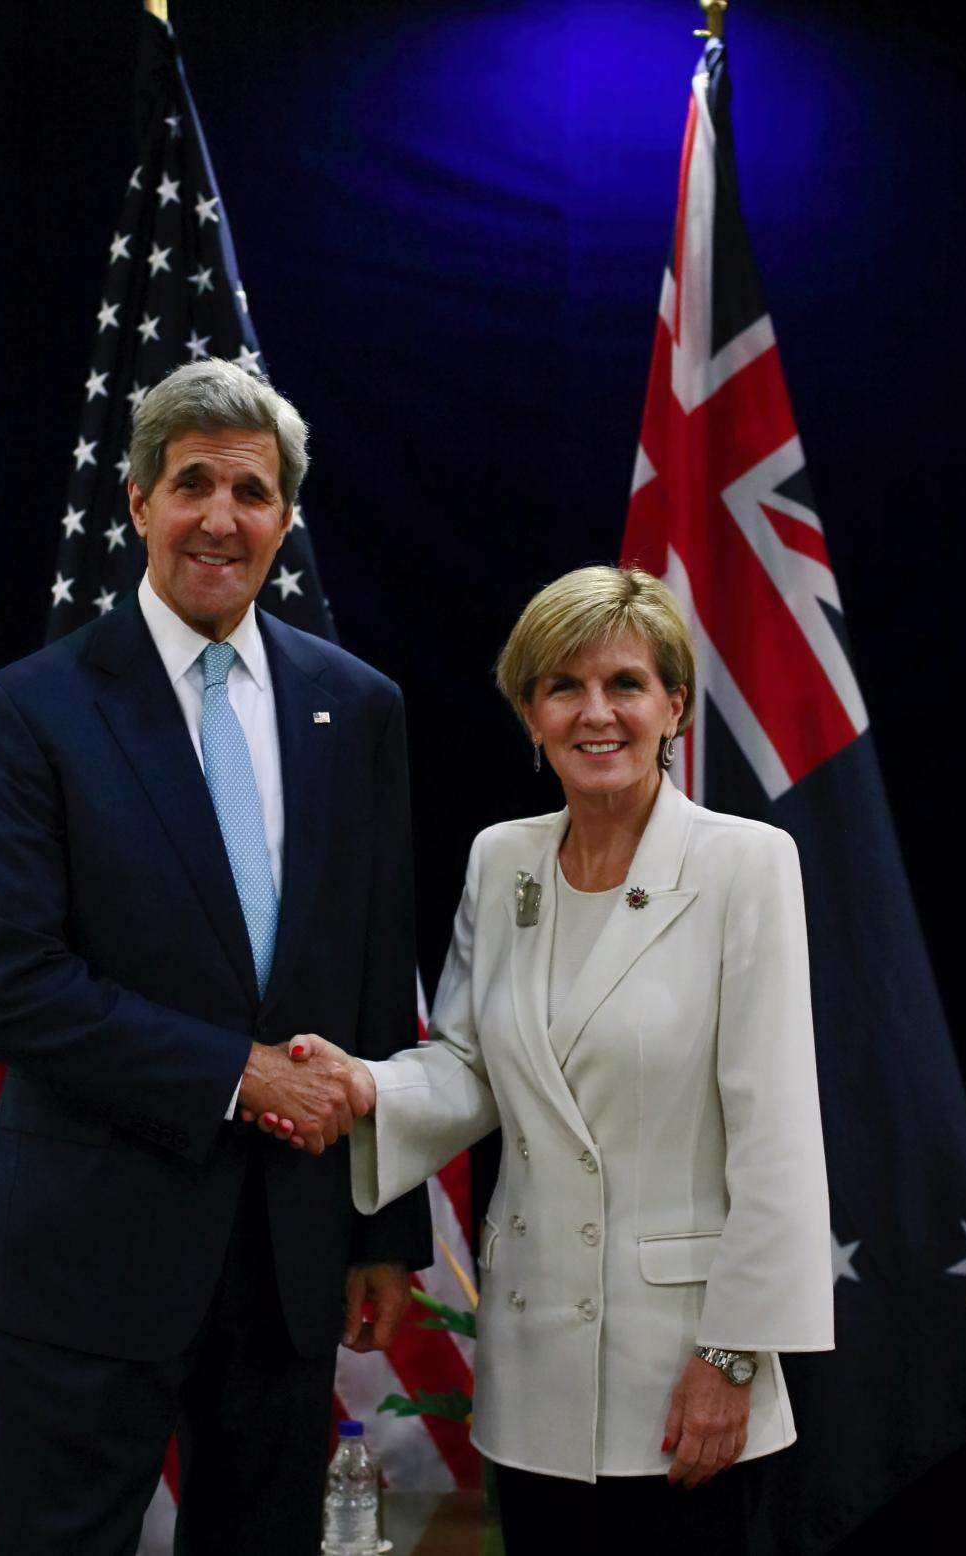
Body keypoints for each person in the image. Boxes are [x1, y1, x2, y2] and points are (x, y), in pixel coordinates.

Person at [0, 357, 431, 1556]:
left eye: (252, 491)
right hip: (88, 1256)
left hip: (290, 1259)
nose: (222, 517)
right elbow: (4, 981)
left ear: (286, 515)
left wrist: (385, 1229)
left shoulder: (357, 706)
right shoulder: (33, 709)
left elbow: (379, 975)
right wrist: (240, 1071)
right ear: (136, 501)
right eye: (193, 484)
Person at [276, 566, 834, 1553]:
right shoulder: (503, 860)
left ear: (675, 706)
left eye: (625, 683)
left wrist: (733, 1358)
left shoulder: (745, 864)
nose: (596, 711)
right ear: (530, 713)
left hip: (686, 1373)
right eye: (562, 686)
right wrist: (364, 1083)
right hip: (535, 1374)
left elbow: (779, 1137)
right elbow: (469, 1064)